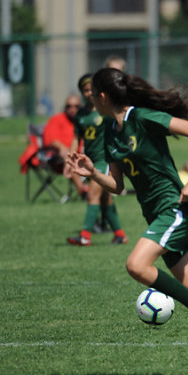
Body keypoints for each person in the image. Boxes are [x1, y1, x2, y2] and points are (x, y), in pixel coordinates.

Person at [65, 68, 188, 375]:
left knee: (136, 265)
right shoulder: (110, 129)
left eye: (92, 93)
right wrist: (92, 173)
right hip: (155, 214)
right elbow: (117, 185)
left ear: (103, 96)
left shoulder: (141, 117)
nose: (89, 99)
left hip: (174, 208)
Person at [66, 73, 128, 246]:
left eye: (90, 90)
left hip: (104, 160)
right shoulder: (81, 114)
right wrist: (70, 159)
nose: (88, 93)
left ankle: (85, 236)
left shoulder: (106, 112)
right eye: (85, 90)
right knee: (105, 199)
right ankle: (120, 235)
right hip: (90, 159)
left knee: (93, 194)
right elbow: (76, 138)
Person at [43, 94, 86, 196]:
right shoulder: (56, 119)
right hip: (59, 159)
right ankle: (83, 191)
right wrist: (64, 150)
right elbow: (51, 141)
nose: (72, 109)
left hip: (84, 156)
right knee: (69, 158)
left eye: (76, 106)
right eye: (69, 106)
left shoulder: (85, 120)